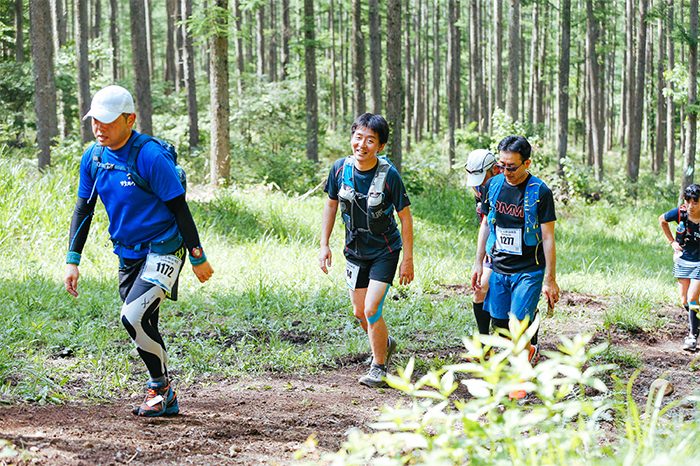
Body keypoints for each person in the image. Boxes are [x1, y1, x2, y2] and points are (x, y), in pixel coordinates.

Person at [63, 85, 214, 417]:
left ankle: (160, 389)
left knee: (131, 317)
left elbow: (179, 208)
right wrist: (72, 260)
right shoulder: (94, 157)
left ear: (129, 119)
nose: (99, 128)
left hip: (164, 248)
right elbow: (82, 211)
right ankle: (164, 396)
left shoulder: (149, 156)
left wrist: (197, 256)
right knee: (143, 321)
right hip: (128, 253)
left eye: (107, 121)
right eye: (94, 121)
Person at [318, 113, 414, 388]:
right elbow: (331, 205)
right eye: (358, 138)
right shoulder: (339, 169)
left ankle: (379, 367)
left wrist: (407, 259)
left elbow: (405, 217)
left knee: (372, 309)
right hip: (354, 251)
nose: (362, 145)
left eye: (370, 140)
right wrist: (324, 245)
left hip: (385, 250)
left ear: (380, 146)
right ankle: (383, 343)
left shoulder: (389, 176)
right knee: (359, 313)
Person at [470, 135, 559, 399]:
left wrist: (550, 279)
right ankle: (525, 354)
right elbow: (486, 225)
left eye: (512, 167)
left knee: (518, 323)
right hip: (498, 267)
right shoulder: (494, 185)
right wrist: (477, 262)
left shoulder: (540, 192)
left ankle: (518, 380)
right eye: (502, 165)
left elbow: (548, 237)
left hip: (529, 269)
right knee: (500, 325)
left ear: (527, 163)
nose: (506, 171)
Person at [659, 184, 700, 352]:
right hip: (683, 259)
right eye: (688, 201)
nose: (691, 205)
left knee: (692, 297)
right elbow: (662, 220)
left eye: (695, 202)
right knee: (684, 300)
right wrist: (672, 242)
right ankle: (695, 322)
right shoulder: (680, 213)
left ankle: (692, 337)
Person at [465, 149, 500, 336]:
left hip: (518, 251)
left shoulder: (508, 182)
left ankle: (530, 344)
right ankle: (484, 342)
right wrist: (478, 261)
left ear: (494, 170)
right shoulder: (479, 188)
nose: (479, 185)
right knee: (480, 290)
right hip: (492, 246)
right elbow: (485, 221)